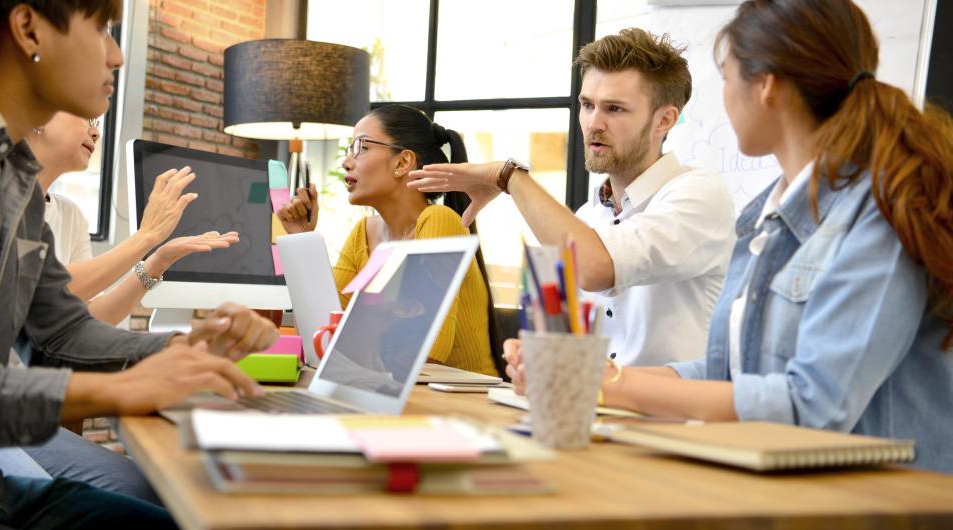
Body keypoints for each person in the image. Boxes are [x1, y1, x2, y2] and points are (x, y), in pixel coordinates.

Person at [504, 0, 953, 474]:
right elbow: (727, 374)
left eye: (726, 78)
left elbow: (813, 405)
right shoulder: (768, 215)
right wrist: (581, 375)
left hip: (882, 503)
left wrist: (600, 381)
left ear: (767, 88)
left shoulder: (877, 211)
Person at [0, 1, 279, 527]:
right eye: (101, 29)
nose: (116, 55)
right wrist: (113, 390)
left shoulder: (15, 180)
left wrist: (182, 350)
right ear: (29, 30)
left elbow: (62, 332)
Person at [408, 29, 736, 367]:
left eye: (615, 109)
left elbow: (596, 269)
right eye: (587, 105)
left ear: (664, 120)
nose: (594, 123)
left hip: (672, 416)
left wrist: (509, 177)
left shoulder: (699, 193)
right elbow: (568, 333)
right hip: (594, 407)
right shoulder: (588, 217)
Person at [277, 104, 503, 377]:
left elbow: (427, 352)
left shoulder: (439, 221)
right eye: (349, 149)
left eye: (361, 146)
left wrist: (356, 340)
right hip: (396, 392)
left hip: (463, 405)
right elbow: (323, 338)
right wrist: (304, 241)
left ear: (402, 162)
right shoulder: (364, 232)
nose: (346, 161)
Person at [25, 111, 239, 325]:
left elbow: (89, 318)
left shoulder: (70, 215)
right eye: (86, 118)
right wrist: (146, 236)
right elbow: (43, 290)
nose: (96, 132)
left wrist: (156, 262)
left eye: (96, 123)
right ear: (39, 115)